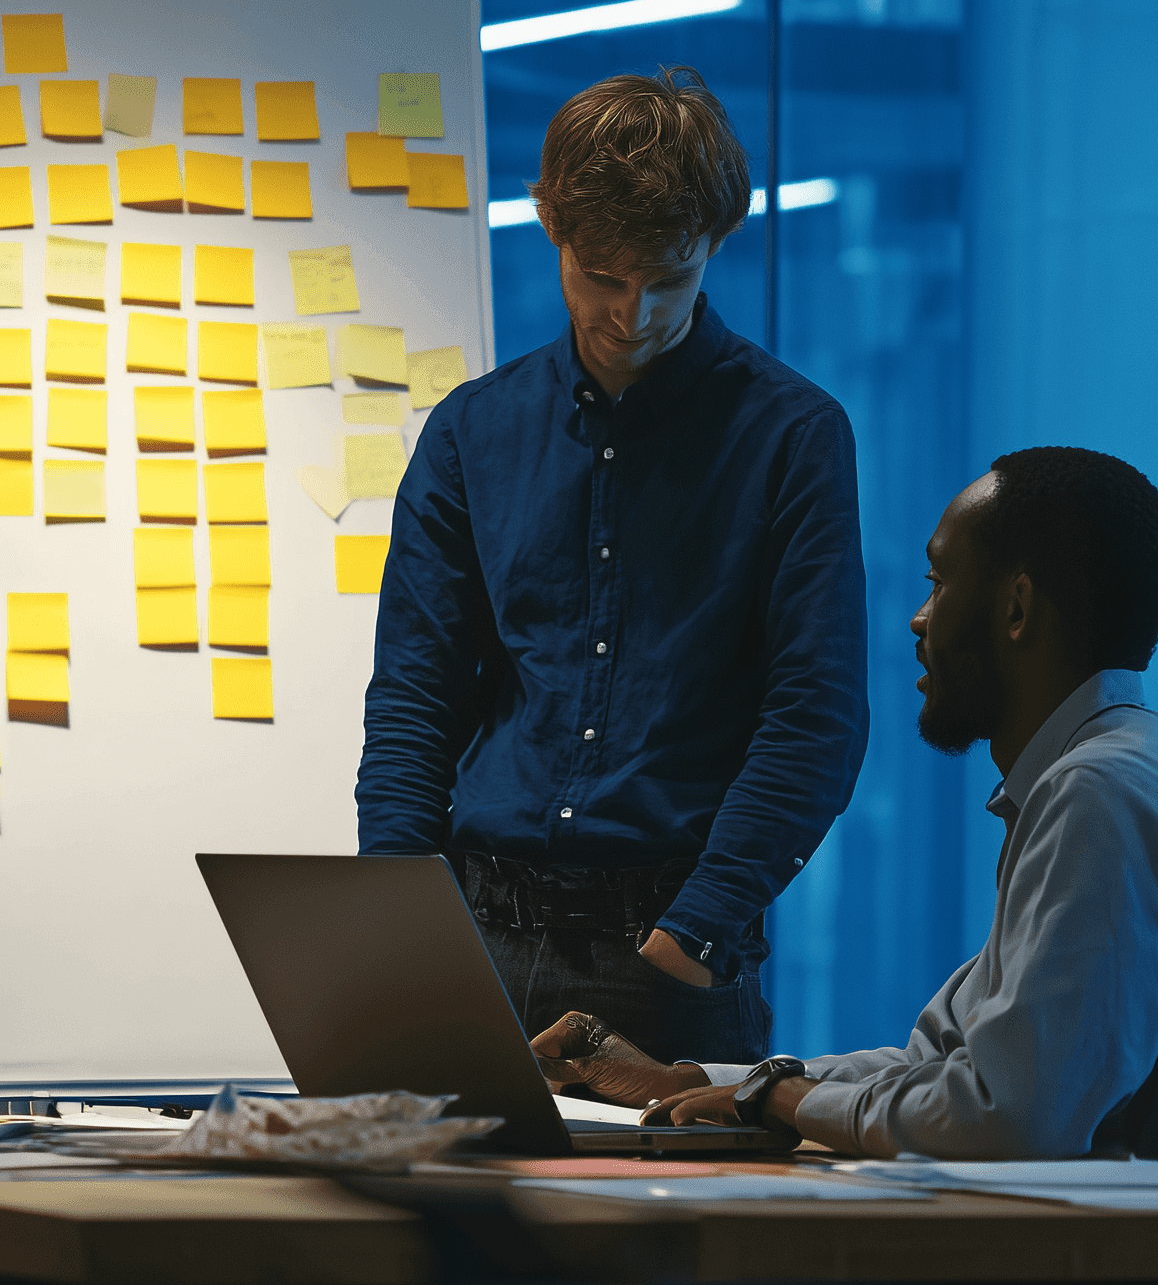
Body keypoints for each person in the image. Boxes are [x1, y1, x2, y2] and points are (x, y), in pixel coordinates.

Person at [585, 447, 1158, 1188]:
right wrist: (688, 1080)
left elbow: (1010, 1118)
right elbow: (944, 1064)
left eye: (939, 584)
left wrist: (776, 1098)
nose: (918, 619)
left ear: (1016, 608)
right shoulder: (1134, 763)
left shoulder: (1100, 795)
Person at [356, 68, 870, 1067]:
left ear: (714, 246)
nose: (632, 316)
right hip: (473, 940)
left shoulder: (791, 435)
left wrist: (695, 931)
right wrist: (392, 924)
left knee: (657, 1230)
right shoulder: (473, 431)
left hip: (665, 955)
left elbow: (815, 715)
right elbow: (417, 696)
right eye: (601, 277)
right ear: (549, 226)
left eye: (667, 281)